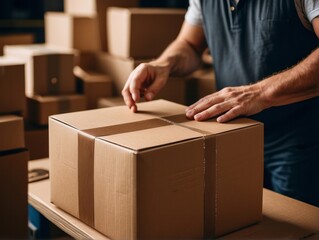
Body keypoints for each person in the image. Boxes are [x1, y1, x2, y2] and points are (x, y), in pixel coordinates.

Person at [122, 0, 319, 207]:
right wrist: (163, 64)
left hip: (297, 143)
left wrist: (260, 92)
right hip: (234, 139)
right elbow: (189, 44)